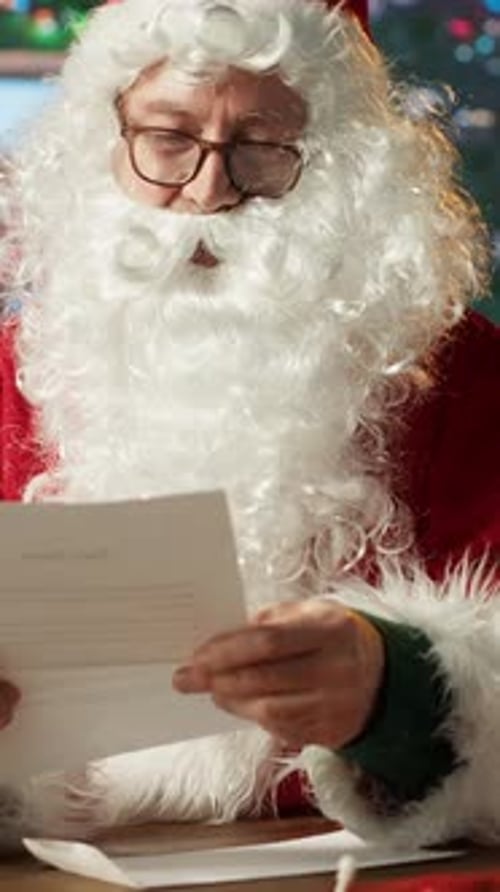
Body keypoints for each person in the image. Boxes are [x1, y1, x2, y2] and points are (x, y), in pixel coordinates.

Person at [0, 0, 499, 853]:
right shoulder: (10, 374)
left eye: (262, 145)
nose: (208, 192)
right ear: (104, 144)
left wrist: (402, 694)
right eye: (168, 138)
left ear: (339, 165)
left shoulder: (467, 380)